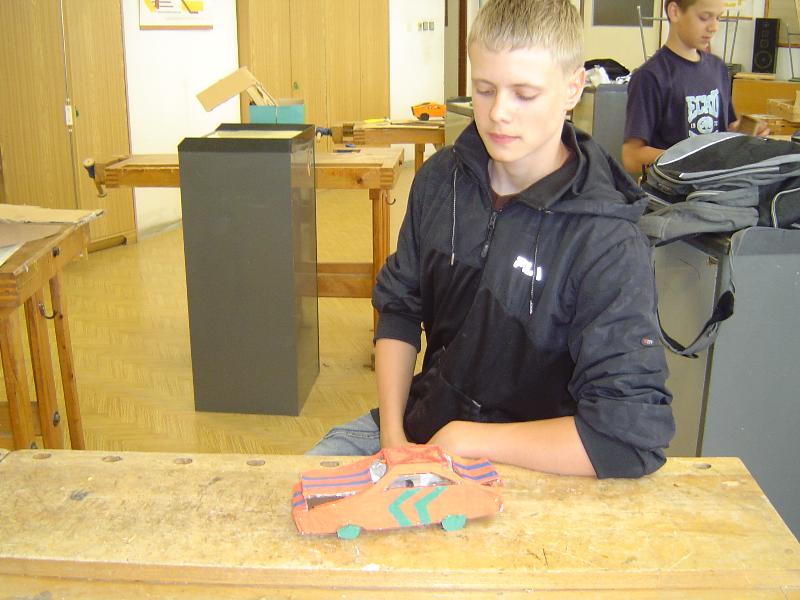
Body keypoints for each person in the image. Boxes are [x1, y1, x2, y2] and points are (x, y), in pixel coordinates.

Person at [308, 0, 675, 479]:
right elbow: (400, 307)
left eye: (525, 94)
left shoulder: (606, 237)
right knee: (302, 483)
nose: (499, 113)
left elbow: (629, 437)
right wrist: (393, 439)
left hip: (537, 462)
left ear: (572, 88)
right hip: (423, 428)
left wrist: (467, 440)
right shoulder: (440, 179)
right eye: (484, 90)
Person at [622, 0, 768, 175]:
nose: (713, 27)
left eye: (718, 18)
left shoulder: (718, 68)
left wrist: (744, 135)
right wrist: (693, 159)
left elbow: (724, 128)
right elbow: (631, 157)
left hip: (716, 184)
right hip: (676, 188)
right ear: (674, 12)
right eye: (704, 17)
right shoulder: (650, 76)